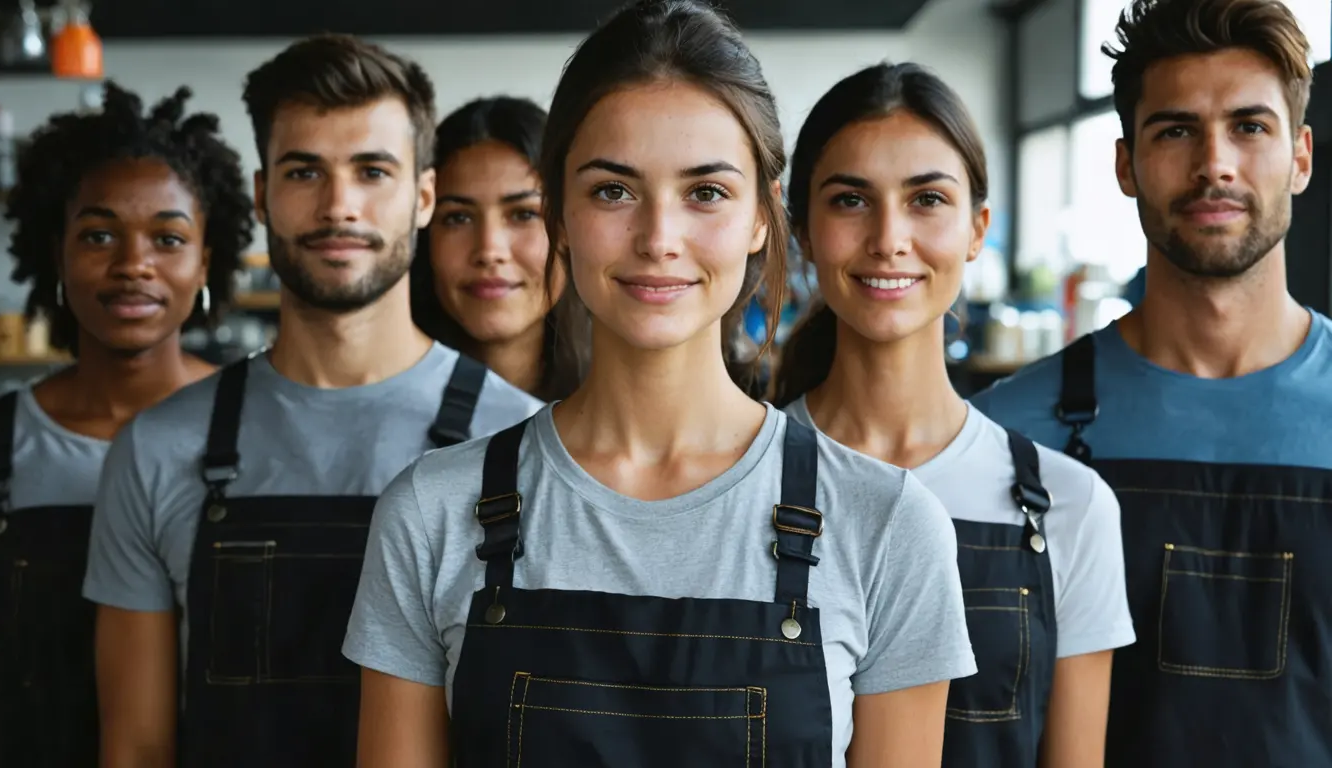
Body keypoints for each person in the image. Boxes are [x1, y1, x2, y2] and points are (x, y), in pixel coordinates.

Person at [343, 2, 977, 766]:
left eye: (705, 192)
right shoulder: (430, 513)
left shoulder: (889, 524)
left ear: (761, 219)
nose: (658, 239)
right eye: (614, 191)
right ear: (559, 215)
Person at [82, 35, 543, 768]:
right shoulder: (158, 448)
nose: (339, 206)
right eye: (306, 172)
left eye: (372, 171)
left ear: (422, 197)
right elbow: (135, 748)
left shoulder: (523, 441)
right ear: (263, 193)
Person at [970, 1, 1329, 765]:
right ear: (1126, 164)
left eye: (1250, 127)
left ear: (1300, 157)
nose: (1215, 164)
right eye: (1174, 130)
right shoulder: (1010, 434)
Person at [770, 62, 1136, 767]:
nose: (888, 238)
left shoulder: (1067, 505)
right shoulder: (738, 482)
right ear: (804, 231)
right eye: (850, 200)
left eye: (927, 199)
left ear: (977, 229)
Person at [0, 81, 254, 768]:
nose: (133, 264)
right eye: (99, 234)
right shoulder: (1, 443)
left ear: (207, 261)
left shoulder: (259, 426)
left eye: (167, 238)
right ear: (56, 252)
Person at [411, 96, 589, 401]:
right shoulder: (384, 407)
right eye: (458, 218)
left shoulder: (627, 407)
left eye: (524, 214)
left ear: (569, 227)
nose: (489, 250)